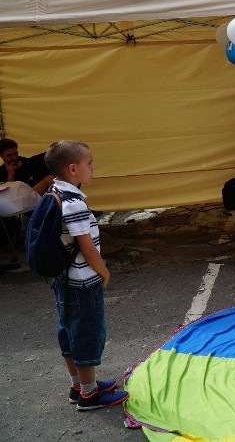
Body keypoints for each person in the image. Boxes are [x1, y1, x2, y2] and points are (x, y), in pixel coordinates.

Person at [42, 140, 128, 411]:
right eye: (89, 163)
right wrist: (104, 271)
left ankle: (78, 384)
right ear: (73, 168)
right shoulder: (74, 203)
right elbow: (87, 248)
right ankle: (89, 395)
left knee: (68, 330)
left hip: (63, 279)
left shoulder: (53, 191)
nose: (93, 167)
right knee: (86, 333)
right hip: (81, 282)